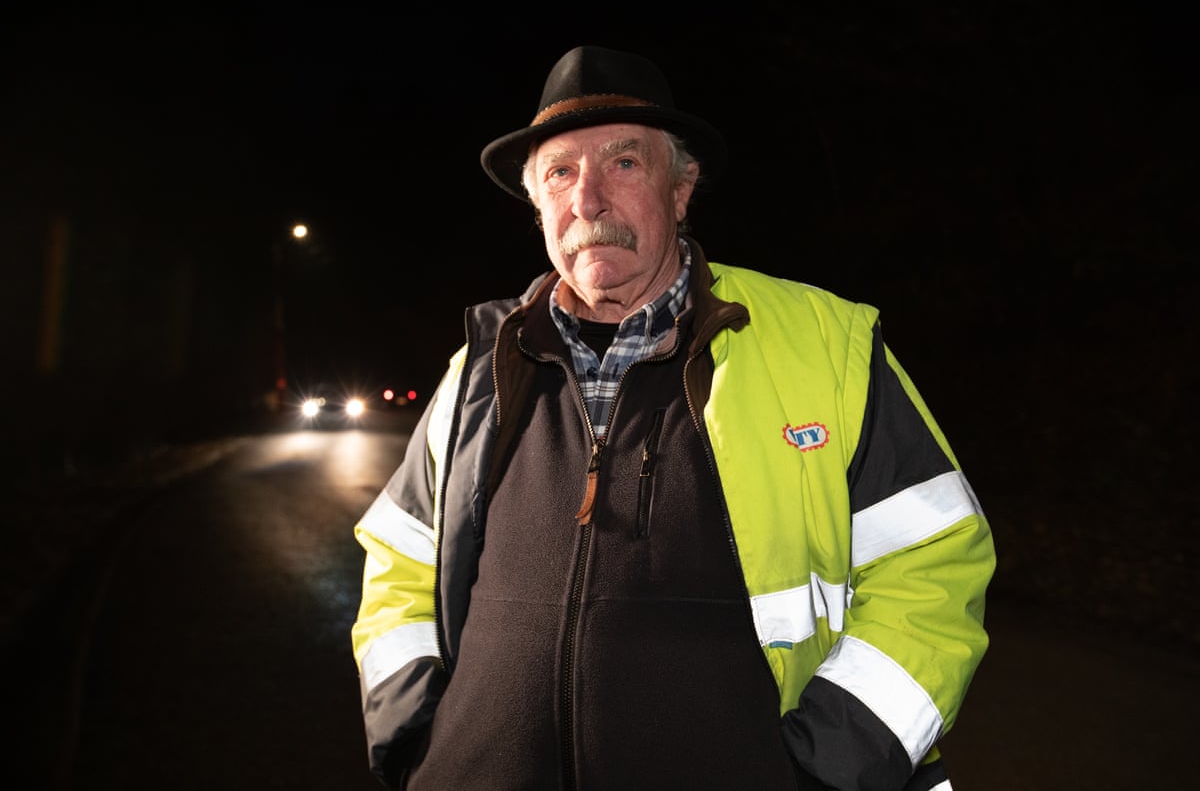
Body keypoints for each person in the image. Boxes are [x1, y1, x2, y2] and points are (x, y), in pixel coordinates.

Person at [350, 45, 995, 791]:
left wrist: (825, 771)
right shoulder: (482, 366)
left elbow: (935, 567)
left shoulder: (823, 343)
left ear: (681, 189)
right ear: (537, 205)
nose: (587, 200)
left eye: (623, 163)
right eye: (560, 172)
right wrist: (414, 742)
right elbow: (397, 564)